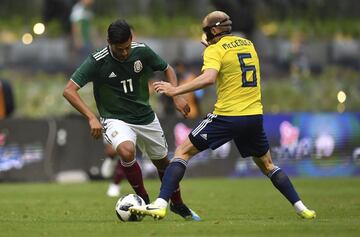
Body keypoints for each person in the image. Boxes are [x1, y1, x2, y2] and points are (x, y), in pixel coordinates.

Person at [129, 11, 316, 220]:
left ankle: (161, 204)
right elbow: (232, 61)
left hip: (228, 116)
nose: (205, 34)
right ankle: (301, 208)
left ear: (214, 30)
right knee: (268, 165)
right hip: (254, 116)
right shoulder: (248, 44)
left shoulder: (215, 50)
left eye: (207, 30)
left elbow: (209, 78)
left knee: (182, 152)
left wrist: (175, 90)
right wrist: (212, 48)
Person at [63, 19, 200, 221]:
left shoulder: (142, 51)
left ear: (131, 40)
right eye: (120, 49)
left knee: (163, 163)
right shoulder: (97, 60)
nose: (125, 53)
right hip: (115, 118)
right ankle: (143, 199)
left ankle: (178, 204)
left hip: (145, 116)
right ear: (109, 41)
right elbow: (69, 90)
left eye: (127, 47)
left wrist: (176, 95)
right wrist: (91, 117)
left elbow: (168, 68)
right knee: (126, 151)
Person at [69, 0, 95, 64]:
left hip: (88, 41)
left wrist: (95, 39)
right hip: (82, 41)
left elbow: (90, 26)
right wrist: (77, 40)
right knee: (81, 62)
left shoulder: (88, 9)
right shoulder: (78, 8)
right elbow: (75, 25)